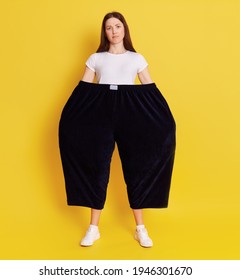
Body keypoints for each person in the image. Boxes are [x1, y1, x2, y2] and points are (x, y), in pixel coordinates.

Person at [58, 11, 176, 248]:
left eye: (117, 26)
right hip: (99, 115)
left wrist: (165, 118)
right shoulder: (95, 58)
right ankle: (94, 228)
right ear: (105, 32)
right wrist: (69, 117)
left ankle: (140, 229)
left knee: (138, 167)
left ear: (125, 29)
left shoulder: (136, 58)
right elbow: (84, 92)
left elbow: (150, 90)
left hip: (132, 114)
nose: (113, 31)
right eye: (109, 27)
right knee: (96, 167)